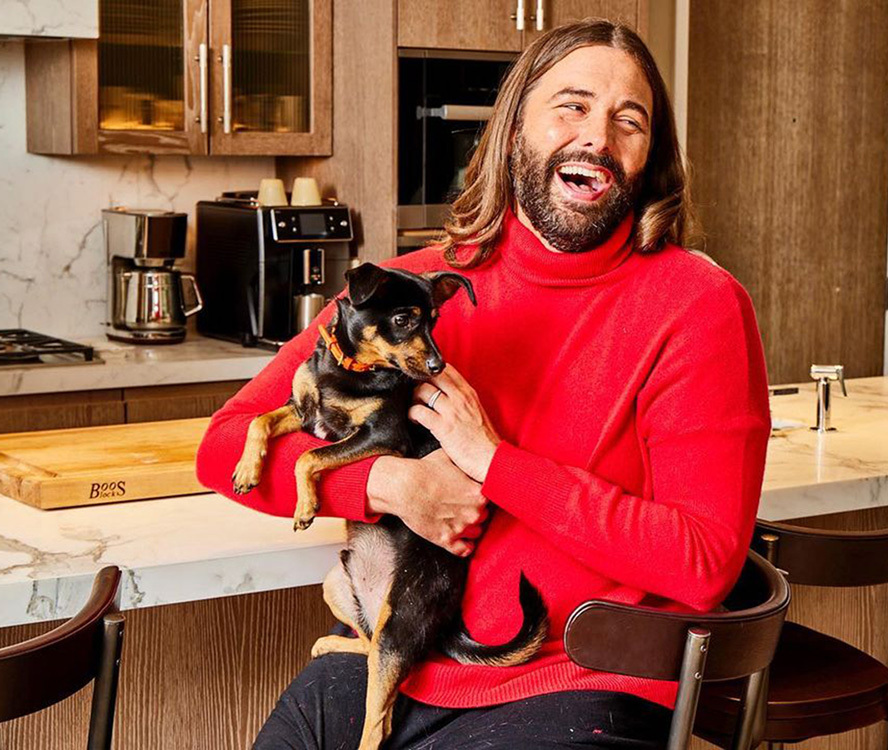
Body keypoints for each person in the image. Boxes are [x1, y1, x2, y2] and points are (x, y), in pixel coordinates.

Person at [196, 18, 771, 749]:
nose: (598, 136)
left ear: (649, 154)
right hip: (389, 666)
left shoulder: (698, 306)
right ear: (513, 129)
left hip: (579, 682)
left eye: (630, 120)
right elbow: (222, 447)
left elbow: (703, 563)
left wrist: (495, 463)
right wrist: (389, 487)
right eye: (573, 105)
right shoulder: (417, 295)